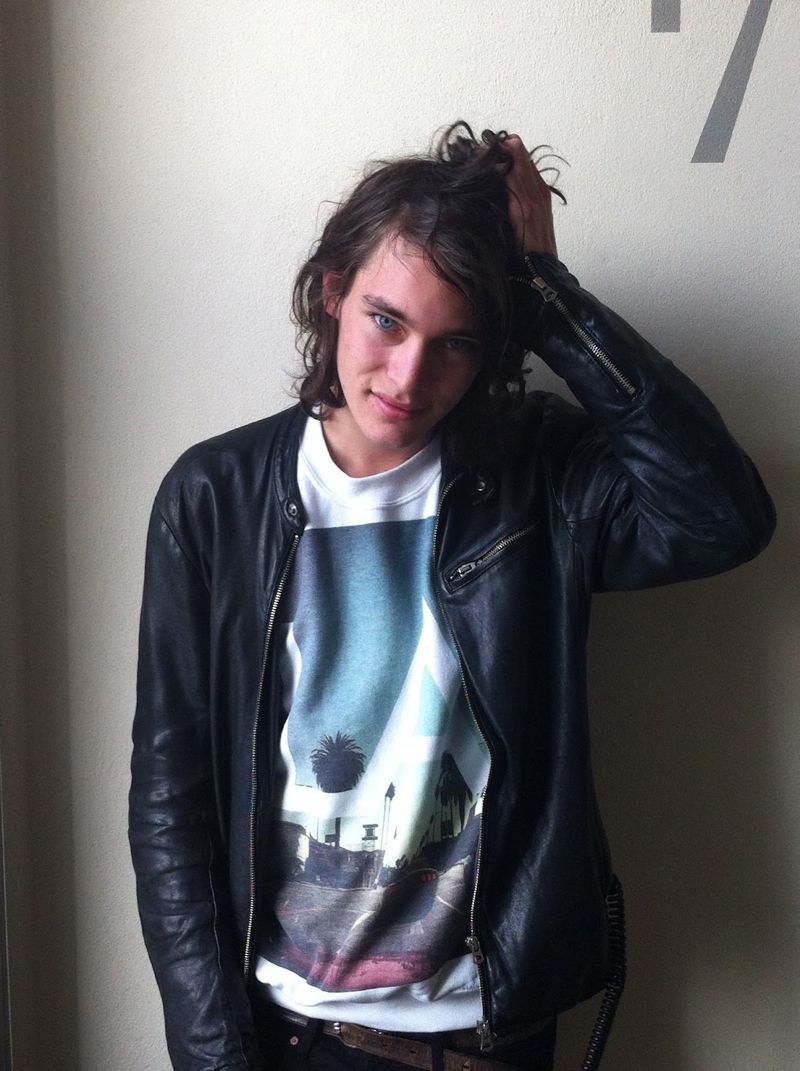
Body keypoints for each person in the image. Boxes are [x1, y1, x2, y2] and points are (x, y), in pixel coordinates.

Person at [129, 123, 775, 1071]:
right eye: (386, 320)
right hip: (287, 1034)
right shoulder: (214, 497)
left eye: (456, 342)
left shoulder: (539, 474)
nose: (408, 375)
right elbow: (170, 800)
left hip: (487, 1032)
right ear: (332, 292)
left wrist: (548, 295)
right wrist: (213, 1053)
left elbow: (723, 517)